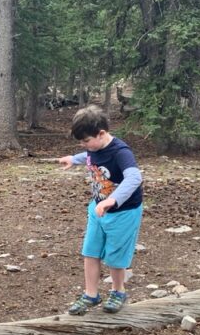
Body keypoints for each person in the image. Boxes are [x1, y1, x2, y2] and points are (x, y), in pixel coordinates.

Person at [57, 106, 143, 315]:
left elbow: (134, 177)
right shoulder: (93, 148)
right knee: (91, 251)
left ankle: (118, 291)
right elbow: (89, 155)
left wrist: (112, 200)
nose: (83, 145)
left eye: (86, 140)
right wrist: (73, 159)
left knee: (115, 256)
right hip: (97, 209)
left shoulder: (121, 152)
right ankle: (91, 294)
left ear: (101, 134)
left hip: (123, 212)